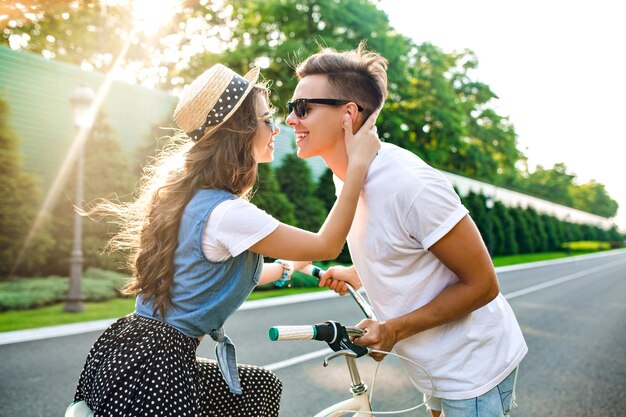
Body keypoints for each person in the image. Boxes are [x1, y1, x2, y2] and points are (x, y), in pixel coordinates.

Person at [68, 63, 380, 417]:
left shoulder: (192, 198)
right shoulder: (228, 213)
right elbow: (327, 244)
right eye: (267, 120)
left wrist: (286, 270)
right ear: (240, 131)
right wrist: (357, 166)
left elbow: (209, 272)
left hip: (131, 347)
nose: (277, 128)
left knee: (261, 388)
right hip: (155, 366)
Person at [285, 42, 528, 417]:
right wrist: (357, 274)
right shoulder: (347, 178)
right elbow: (401, 248)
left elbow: (482, 284)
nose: (291, 120)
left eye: (303, 108)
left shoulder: (410, 184)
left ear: (348, 115)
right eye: (290, 108)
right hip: (432, 369)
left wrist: (393, 330)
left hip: (473, 371)